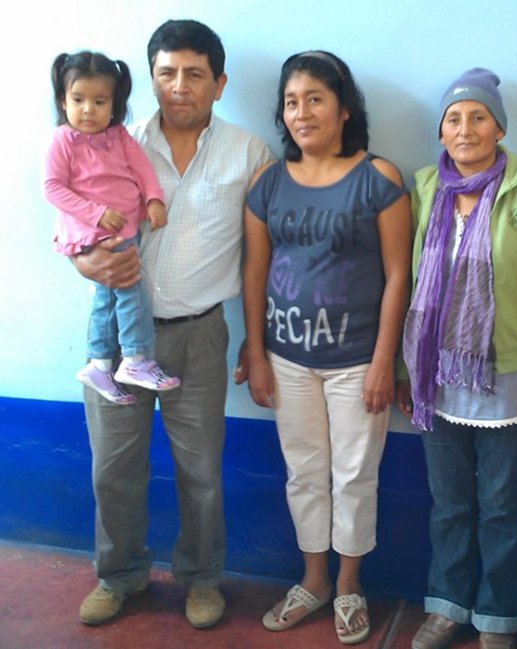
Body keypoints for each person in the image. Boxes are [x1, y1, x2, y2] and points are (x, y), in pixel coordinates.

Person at [71, 20, 272, 628]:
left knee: (202, 471)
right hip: (118, 339)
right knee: (113, 468)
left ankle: (202, 579)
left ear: (219, 82)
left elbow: (259, 259)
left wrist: (255, 345)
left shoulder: (249, 153)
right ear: (151, 78)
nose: (178, 85)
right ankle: (120, 576)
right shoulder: (111, 139)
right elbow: (73, 225)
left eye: (193, 74)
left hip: (202, 333)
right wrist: (87, 260)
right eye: (166, 72)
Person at [397, 68, 517, 649]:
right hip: (436, 376)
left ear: (499, 127)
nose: (465, 128)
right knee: (449, 505)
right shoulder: (423, 189)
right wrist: (404, 370)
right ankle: (447, 606)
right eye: (453, 118)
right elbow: (405, 286)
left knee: (501, 509)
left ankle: (497, 618)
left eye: (478, 116)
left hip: (510, 378)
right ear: (441, 131)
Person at [241, 51, 411, 644]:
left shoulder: (379, 179)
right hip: (287, 359)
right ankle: (312, 580)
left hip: (358, 362)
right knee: (304, 473)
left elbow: (398, 276)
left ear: (343, 110)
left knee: (354, 475)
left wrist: (385, 361)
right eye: (291, 101)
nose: (301, 111)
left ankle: (348, 586)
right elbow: (254, 273)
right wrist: (256, 351)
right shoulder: (267, 184)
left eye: (315, 98)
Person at [45, 51, 181, 404]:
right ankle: (135, 357)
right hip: (96, 231)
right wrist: (96, 213)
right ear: (63, 100)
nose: (88, 109)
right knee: (130, 284)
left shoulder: (119, 136)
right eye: (78, 100)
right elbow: (53, 187)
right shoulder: (63, 140)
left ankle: (100, 362)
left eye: (99, 101)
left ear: (114, 104)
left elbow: (143, 170)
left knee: (108, 296)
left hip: (124, 226)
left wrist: (153, 200)